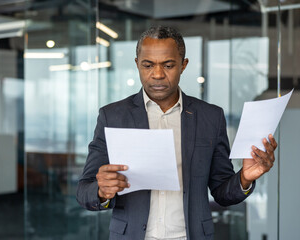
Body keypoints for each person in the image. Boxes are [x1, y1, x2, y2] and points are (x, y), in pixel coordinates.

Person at [76, 26, 277, 240]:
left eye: (168, 65)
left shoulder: (211, 117)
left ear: (183, 65)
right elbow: (83, 191)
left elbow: (221, 192)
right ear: (137, 64)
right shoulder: (112, 117)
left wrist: (245, 178)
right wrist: (101, 191)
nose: (158, 74)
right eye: (148, 65)